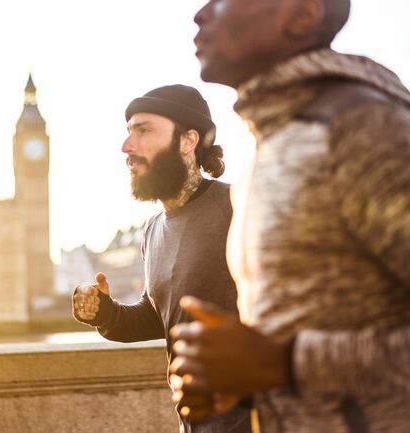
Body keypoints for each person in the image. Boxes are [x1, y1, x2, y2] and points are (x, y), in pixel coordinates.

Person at [169, 0, 410, 432]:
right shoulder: (269, 149)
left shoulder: (361, 125)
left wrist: (283, 364)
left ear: (302, 13)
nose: (201, 13)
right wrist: (242, 381)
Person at [72, 84, 251, 433]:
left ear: (187, 140)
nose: (127, 146)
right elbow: (159, 318)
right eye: (128, 133)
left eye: (144, 131)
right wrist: (105, 312)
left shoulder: (241, 207)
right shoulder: (153, 231)